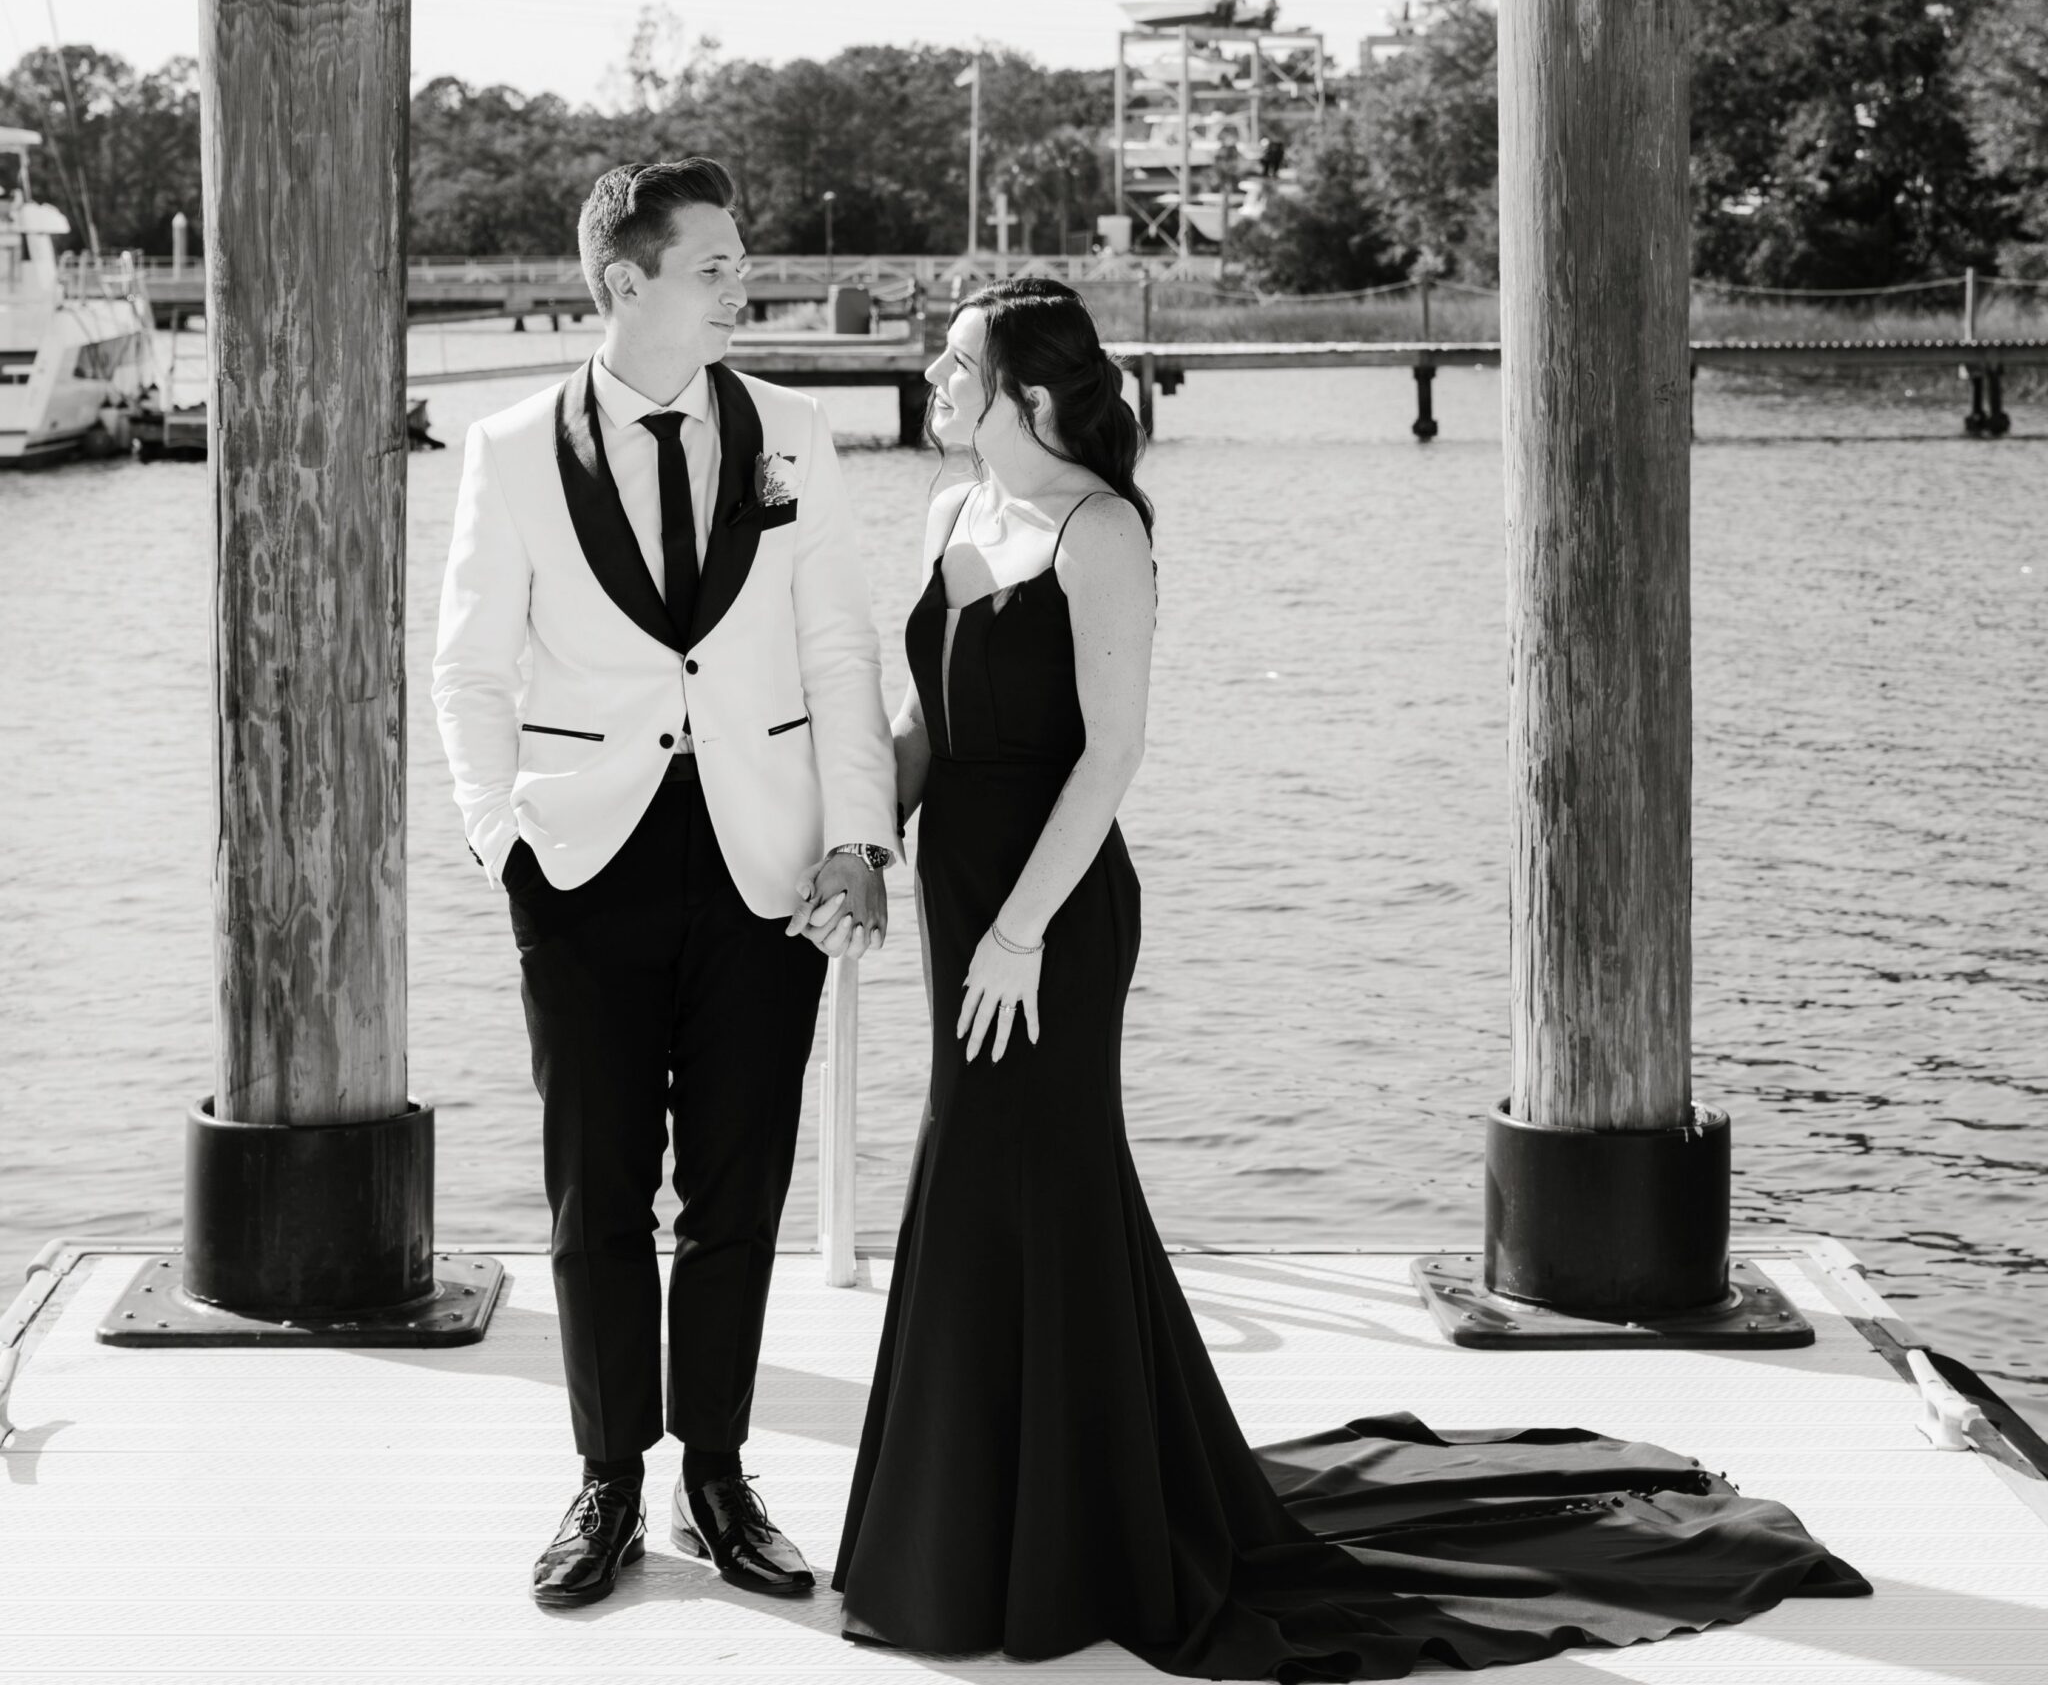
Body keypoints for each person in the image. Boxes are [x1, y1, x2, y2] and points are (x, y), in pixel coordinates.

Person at [827, 274, 1867, 1674]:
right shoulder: (948, 511)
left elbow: (1113, 754)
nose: (932, 377)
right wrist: (870, 848)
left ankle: (1028, 1535)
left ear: (1027, 393)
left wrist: (1019, 932)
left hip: (1053, 909)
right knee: (1009, 1181)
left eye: (955, 361)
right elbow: (918, 715)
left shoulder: (1101, 531)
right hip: (961, 887)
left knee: (1014, 1170)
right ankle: (1033, 1506)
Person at [432, 158, 898, 1608]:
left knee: (739, 1191)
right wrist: (501, 840)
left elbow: (838, 651)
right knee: (596, 1195)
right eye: (713, 267)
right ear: (625, 285)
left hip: (766, 857)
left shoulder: (797, 437)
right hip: (581, 861)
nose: (738, 286)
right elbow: (469, 670)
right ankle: (606, 1480)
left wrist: (860, 835)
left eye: (737, 263)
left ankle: (717, 1471)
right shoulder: (508, 447)